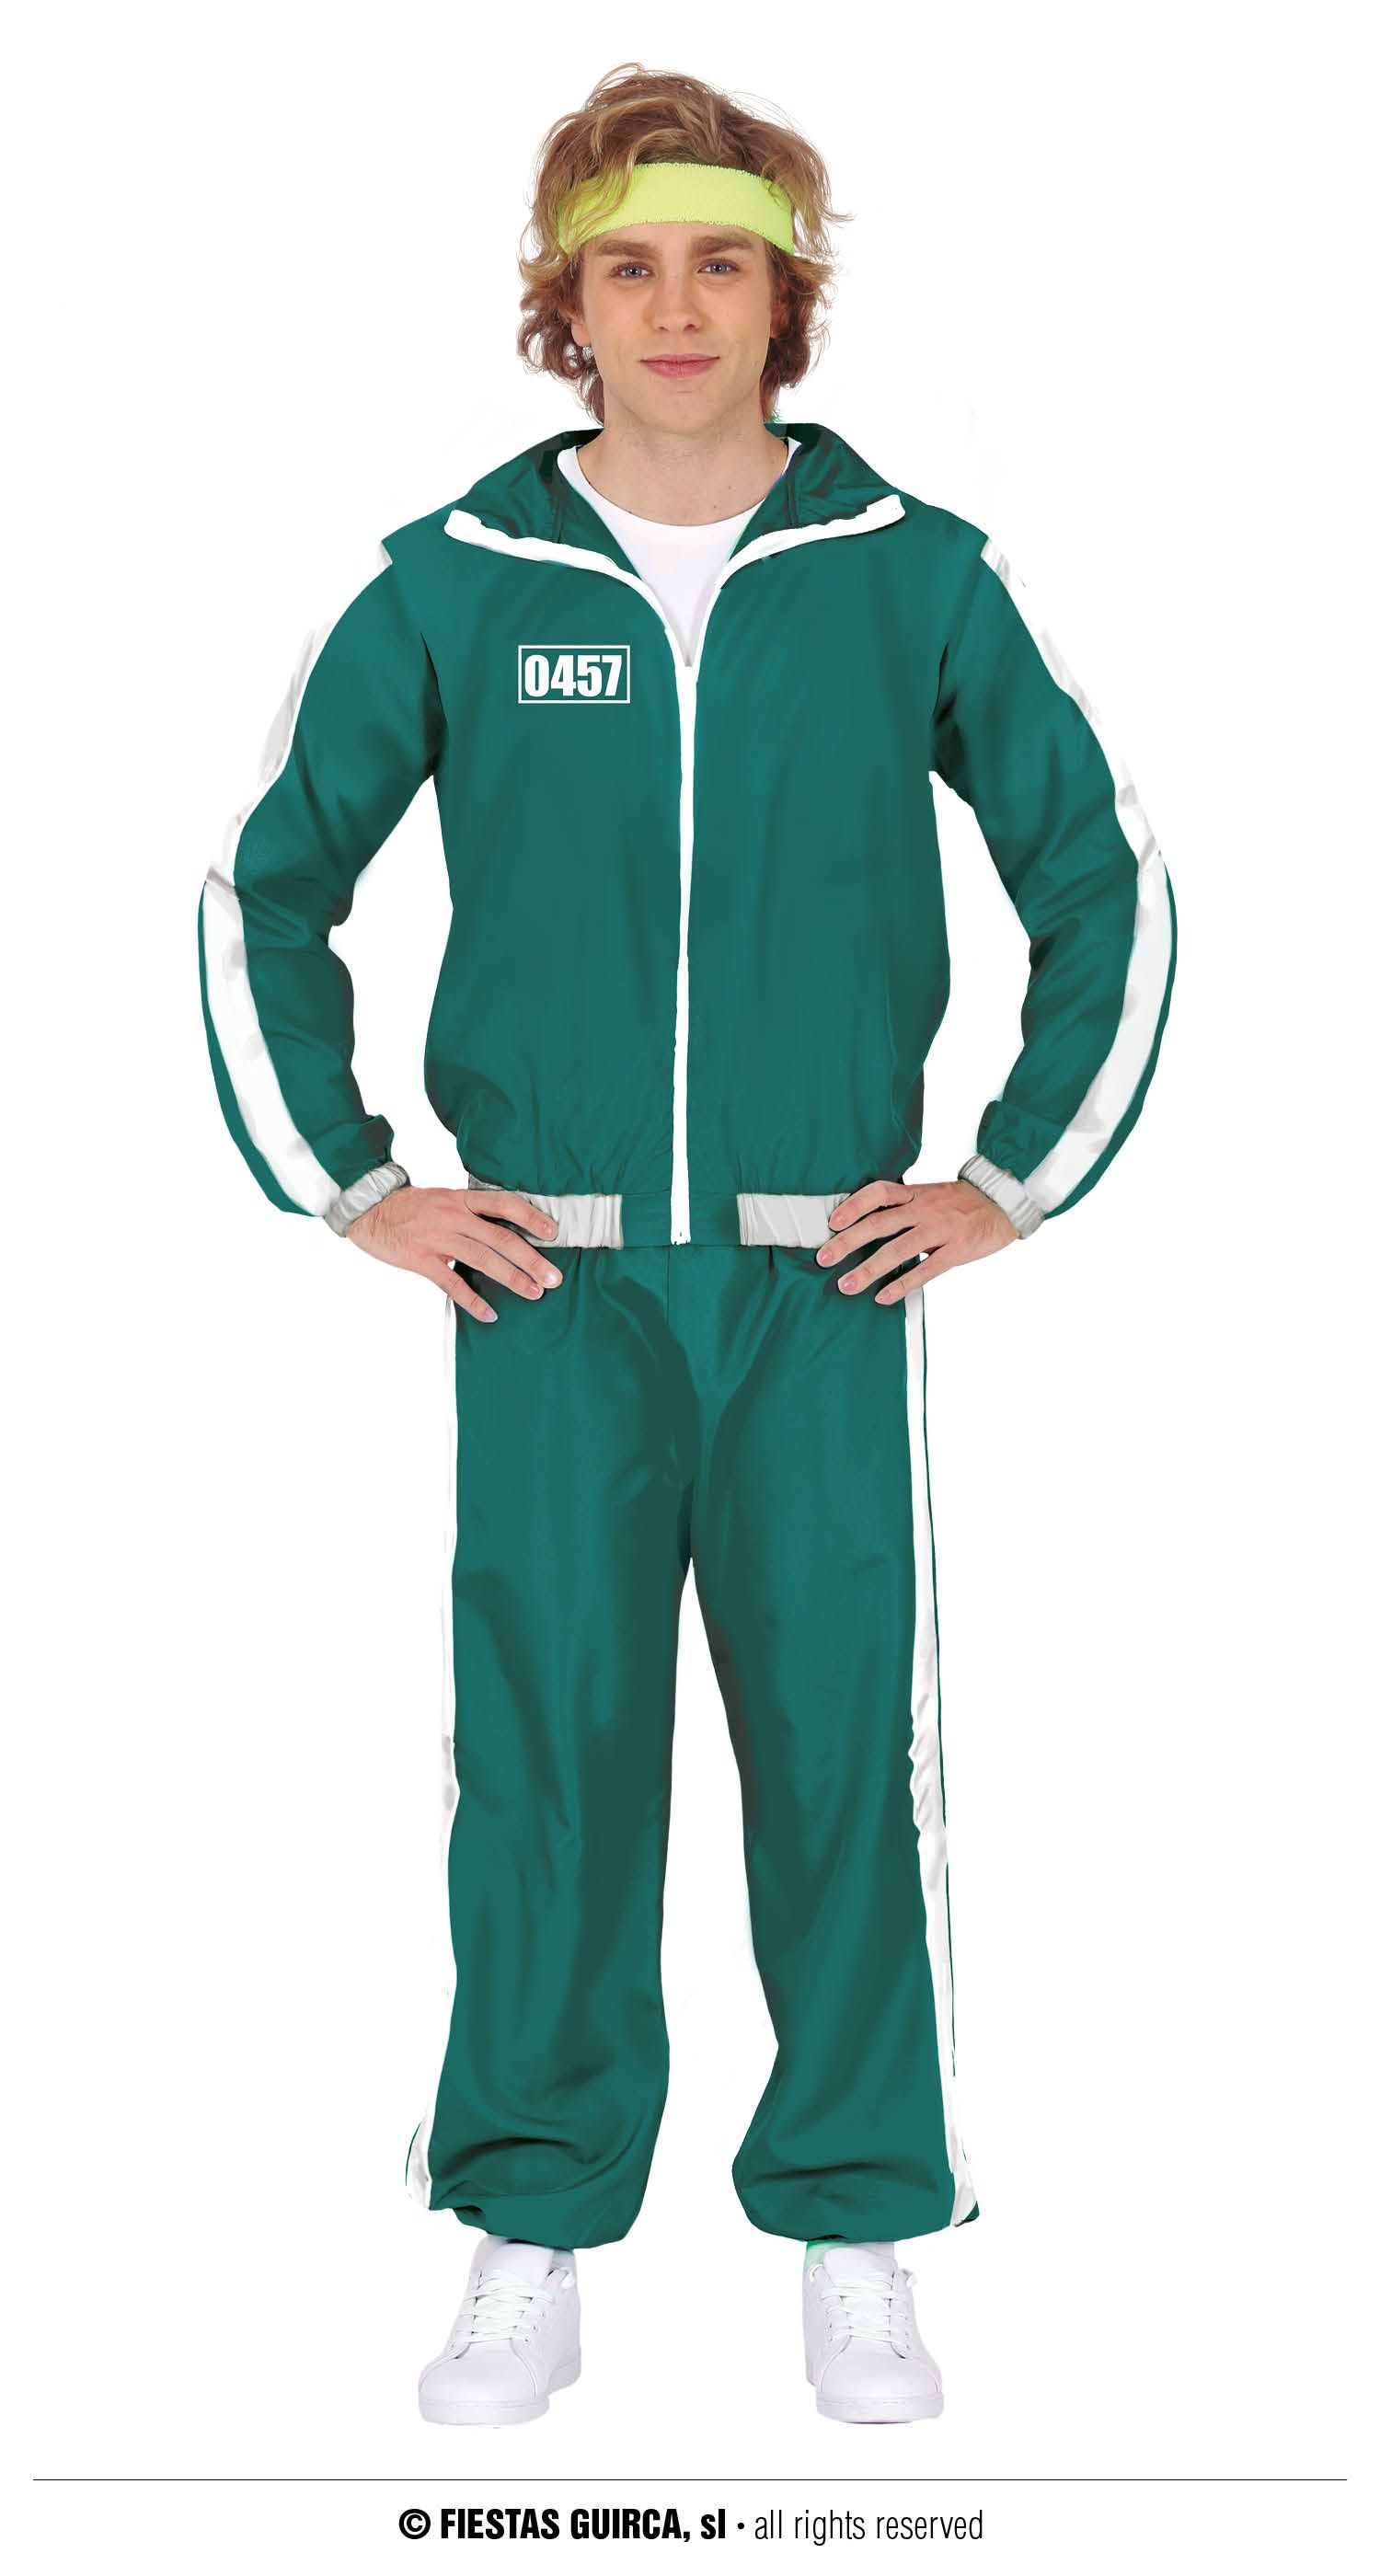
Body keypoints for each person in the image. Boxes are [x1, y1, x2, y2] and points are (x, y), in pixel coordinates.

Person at [198, 62, 1176, 2430]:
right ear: (564, 298)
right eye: (625, 262)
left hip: (822, 1280)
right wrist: (354, 1179)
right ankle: (529, 2221)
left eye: (721, 258)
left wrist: (1013, 1173)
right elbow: (261, 889)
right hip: (549, 1287)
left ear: (786, 293)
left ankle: (858, 2222)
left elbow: (1107, 876)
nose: (673, 305)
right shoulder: (457, 577)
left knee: (841, 1753)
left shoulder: (914, 572)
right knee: (547, 1752)